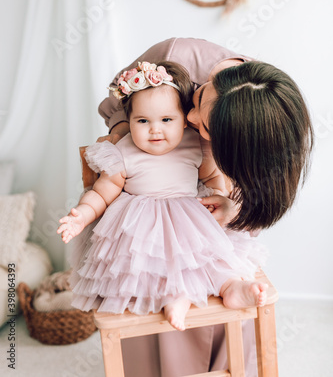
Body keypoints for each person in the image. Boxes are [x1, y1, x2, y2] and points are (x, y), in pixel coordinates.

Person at [95, 37, 313, 377]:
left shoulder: (264, 126)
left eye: (205, 126)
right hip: (154, 203)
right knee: (160, 282)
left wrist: (235, 210)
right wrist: (131, 143)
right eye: (199, 98)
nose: (191, 116)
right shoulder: (171, 58)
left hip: (210, 209)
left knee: (228, 273)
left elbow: (259, 202)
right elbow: (117, 105)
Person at [58, 61, 269, 332]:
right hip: (141, 224)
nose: (155, 130)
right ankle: (174, 297)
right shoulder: (122, 152)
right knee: (150, 264)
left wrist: (218, 195)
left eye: (167, 120)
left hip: (189, 215)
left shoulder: (195, 144)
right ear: (129, 121)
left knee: (211, 255)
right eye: (143, 121)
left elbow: (214, 178)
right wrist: (82, 215)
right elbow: (102, 193)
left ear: (184, 119)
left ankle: (231, 287)